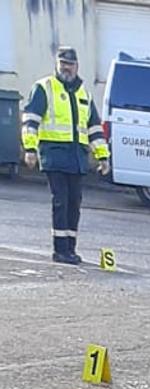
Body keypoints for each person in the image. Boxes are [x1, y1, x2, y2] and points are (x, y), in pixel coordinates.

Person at [21, 46, 110, 265]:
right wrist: (30, 149)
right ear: (57, 65)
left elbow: (94, 129)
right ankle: (60, 250)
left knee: (74, 204)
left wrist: (103, 156)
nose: (66, 68)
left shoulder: (84, 94)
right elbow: (31, 119)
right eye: (62, 64)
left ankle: (70, 248)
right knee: (60, 202)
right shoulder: (45, 87)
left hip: (77, 158)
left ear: (77, 66)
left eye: (69, 64)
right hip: (54, 155)